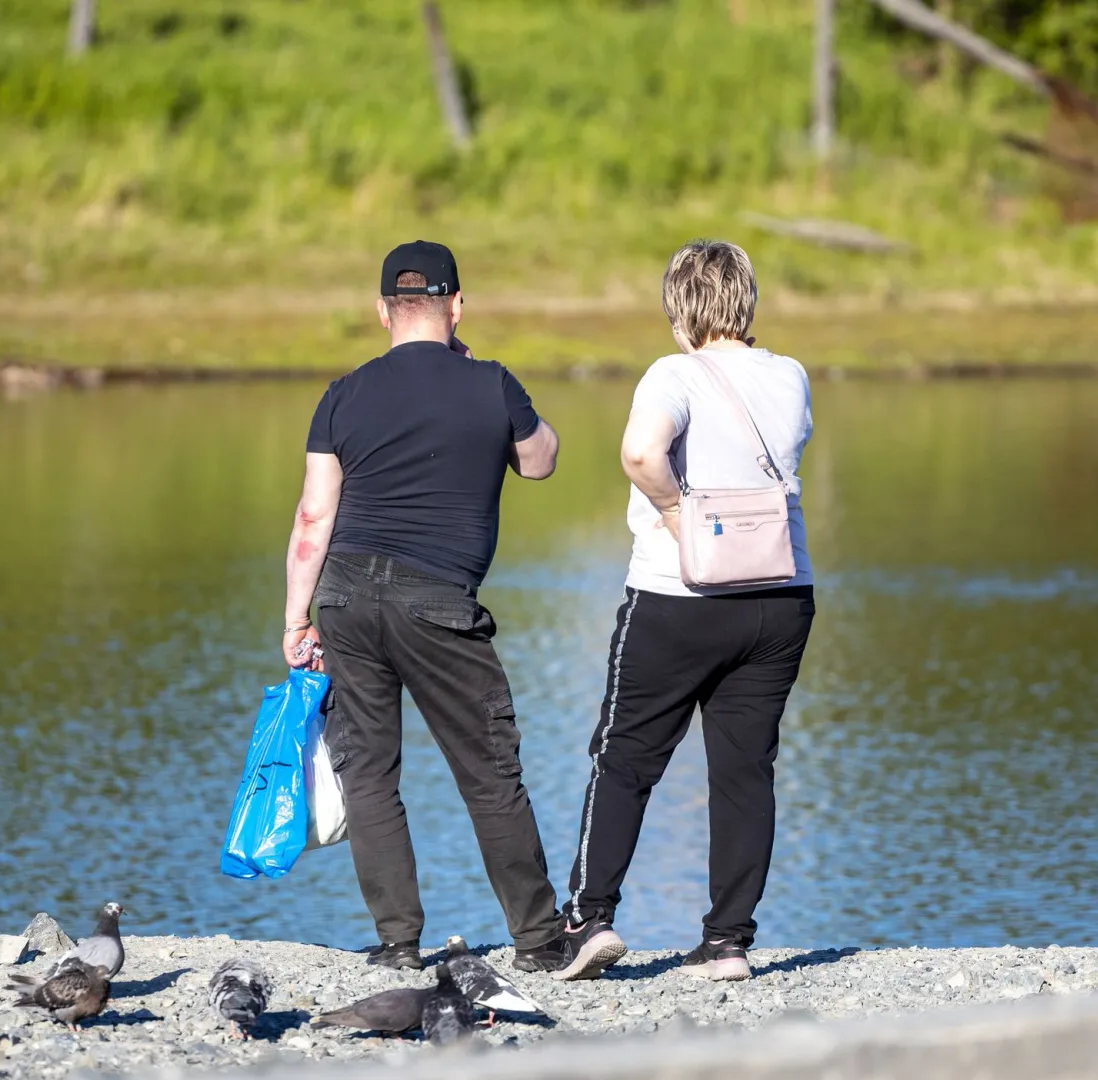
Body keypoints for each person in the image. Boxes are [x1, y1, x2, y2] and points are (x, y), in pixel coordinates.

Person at [280, 240, 573, 972]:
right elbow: (542, 461)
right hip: (438, 602)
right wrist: (482, 381)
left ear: (382, 312)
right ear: (458, 307)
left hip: (345, 595)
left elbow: (313, 519)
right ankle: (539, 942)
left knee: (370, 771)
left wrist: (296, 619)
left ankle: (396, 944)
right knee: (487, 771)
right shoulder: (491, 383)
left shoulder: (342, 393)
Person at [552, 240, 817, 982]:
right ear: (746, 300)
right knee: (744, 771)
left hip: (680, 596)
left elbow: (642, 453)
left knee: (625, 758)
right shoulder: (790, 376)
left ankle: (589, 918)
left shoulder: (673, 373)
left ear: (679, 308)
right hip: (779, 597)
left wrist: (677, 512)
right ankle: (728, 941)